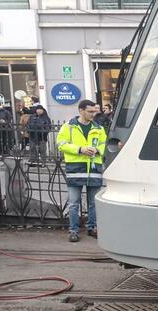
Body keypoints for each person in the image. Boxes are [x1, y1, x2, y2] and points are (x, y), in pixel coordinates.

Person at [57, 99, 106, 242]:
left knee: (93, 203)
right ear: (81, 110)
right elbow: (61, 144)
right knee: (73, 203)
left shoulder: (99, 128)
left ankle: (92, 227)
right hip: (76, 168)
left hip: (93, 169)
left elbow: (104, 144)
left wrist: (97, 150)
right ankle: (73, 231)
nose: (93, 114)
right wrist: (80, 149)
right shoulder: (69, 127)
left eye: (94, 111)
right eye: (90, 112)